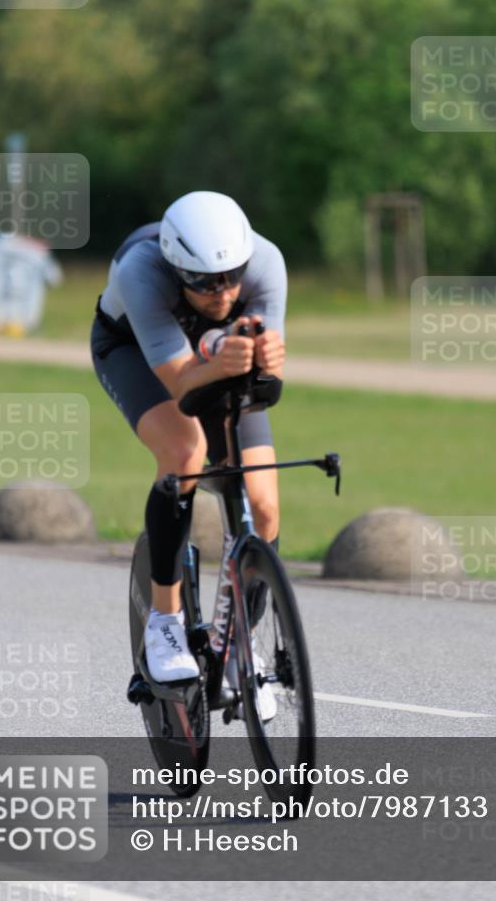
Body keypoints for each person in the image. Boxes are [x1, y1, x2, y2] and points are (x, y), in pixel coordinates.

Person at [90, 191, 286, 718]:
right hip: (133, 351)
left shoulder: (266, 263)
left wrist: (264, 362)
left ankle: (246, 650)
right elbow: (181, 386)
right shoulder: (141, 273)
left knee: (264, 506)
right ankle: (164, 620)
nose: (223, 292)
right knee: (186, 452)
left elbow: (268, 384)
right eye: (203, 282)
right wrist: (220, 361)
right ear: (177, 270)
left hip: (213, 357)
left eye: (232, 276)